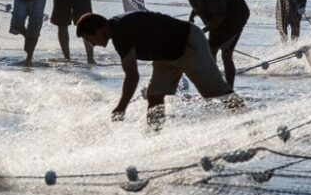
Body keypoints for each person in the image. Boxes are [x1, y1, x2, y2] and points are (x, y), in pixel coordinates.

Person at [76, 12, 235, 130]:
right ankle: (154, 134)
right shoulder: (116, 30)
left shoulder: (120, 33)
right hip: (165, 55)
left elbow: (132, 76)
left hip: (188, 43)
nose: (93, 45)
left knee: (217, 91)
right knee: (154, 95)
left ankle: (248, 121)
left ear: (98, 30)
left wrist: (121, 107)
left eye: (90, 40)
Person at [174, 0, 250, 89]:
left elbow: (220, 15)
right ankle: (214, 86)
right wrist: (192, 16)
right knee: (210, 53)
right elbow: (199, 5)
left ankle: (228, 90)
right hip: (217, 18)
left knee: (226, 54)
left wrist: (202, 31)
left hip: (235, 15)